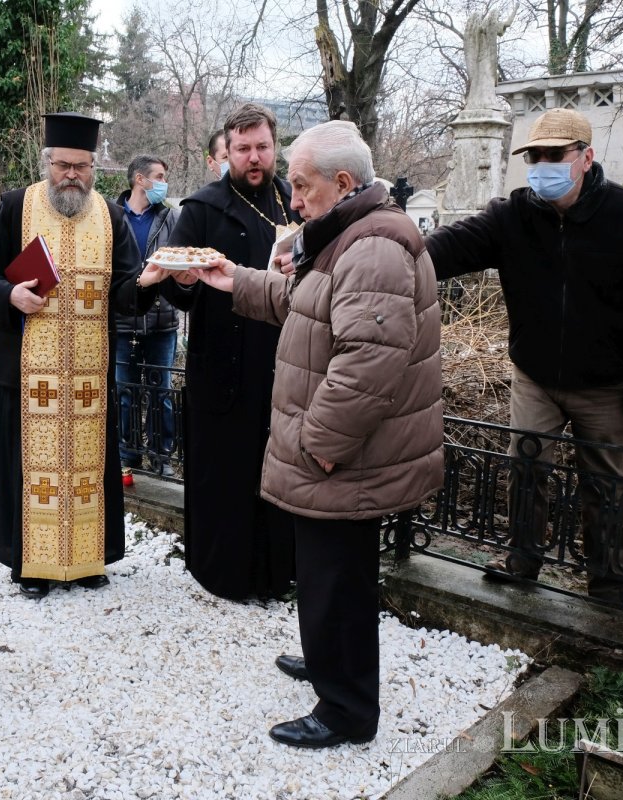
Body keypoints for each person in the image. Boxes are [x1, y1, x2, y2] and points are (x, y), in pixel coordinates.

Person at [193, 120, 443, 748]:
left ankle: (346, 709)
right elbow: (308, 306)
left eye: (302, 188)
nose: (294, 201)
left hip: (346, 455)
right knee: (327, 570)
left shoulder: (373, 247)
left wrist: (321, 443)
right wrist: (237, 280)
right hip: (337, 452)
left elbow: (367, 362)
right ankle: (328, 655)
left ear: (342, 182)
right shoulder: (347, 234)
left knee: (339, 576)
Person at [425, 108, 623, 602]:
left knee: (606, 480)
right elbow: (442, 249)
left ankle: (609, 582)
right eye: (536, 156)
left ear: (586, 158)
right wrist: (382, 250)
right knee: (526, 465)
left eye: (555, 155)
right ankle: (523, 558)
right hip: (537, 373)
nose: (543, 164)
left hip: (607, 382)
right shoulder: (512, 216)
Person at [0, 112, 174, 599]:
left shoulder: (110, 215)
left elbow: (125, 289)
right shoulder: (17, 207)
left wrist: (147, 284)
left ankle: (86, 560)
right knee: (30, 472)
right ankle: (32, 565)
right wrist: (9, 295)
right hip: (28, 374)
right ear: (48, 162)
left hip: (87, 375)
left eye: (82, 167)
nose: (72, 175)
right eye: (64, 165)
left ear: (93, 167)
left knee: (88, 471)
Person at [163, 102, 299, 601]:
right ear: (228, 152)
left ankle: (278, 573)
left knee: (278, 473)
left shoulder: (293, 200)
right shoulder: (200, 209)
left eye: (262, 147)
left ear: (274, 147)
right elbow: (176, 287)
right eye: (243, 149)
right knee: (225, 474)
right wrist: (181, 281)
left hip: (284, 360)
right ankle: (222, 574)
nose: (254, 158)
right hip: (222, 361)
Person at [115, 155, 181, 475]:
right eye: (159, 175)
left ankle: (162, 457)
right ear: (140, 179)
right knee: (125, 393)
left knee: (161, 392)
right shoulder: (114, 217)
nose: (163, 182)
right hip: (124, 321)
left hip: (162, 320)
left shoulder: (171, 217)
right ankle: (128, 456)